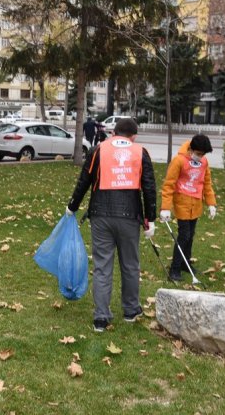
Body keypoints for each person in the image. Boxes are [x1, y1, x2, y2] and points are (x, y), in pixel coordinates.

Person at [66, 118, 156, 332]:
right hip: (129, 216)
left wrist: (72, 206)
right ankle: (131, 310)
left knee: (102, 267)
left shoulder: (99, 149)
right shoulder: (140, 152)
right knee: (130, 265)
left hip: (101, 215)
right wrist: (150, 218)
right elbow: (149, 187)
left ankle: (101, 317)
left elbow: (84, 180)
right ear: (133, 136)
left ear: (114, 132)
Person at [159, 134, 217, 281]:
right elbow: (169, 185)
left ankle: (186, 263)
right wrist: (165, 207)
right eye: (198, 154)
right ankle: (175, 268)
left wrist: (211, 203)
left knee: (190, 236)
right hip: (182, 203)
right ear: (191, 149)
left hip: (196, 204)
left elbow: (207, 183)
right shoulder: (178, 161)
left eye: (202, 154)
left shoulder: (204, 162)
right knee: (184, 235)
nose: (200, 157)